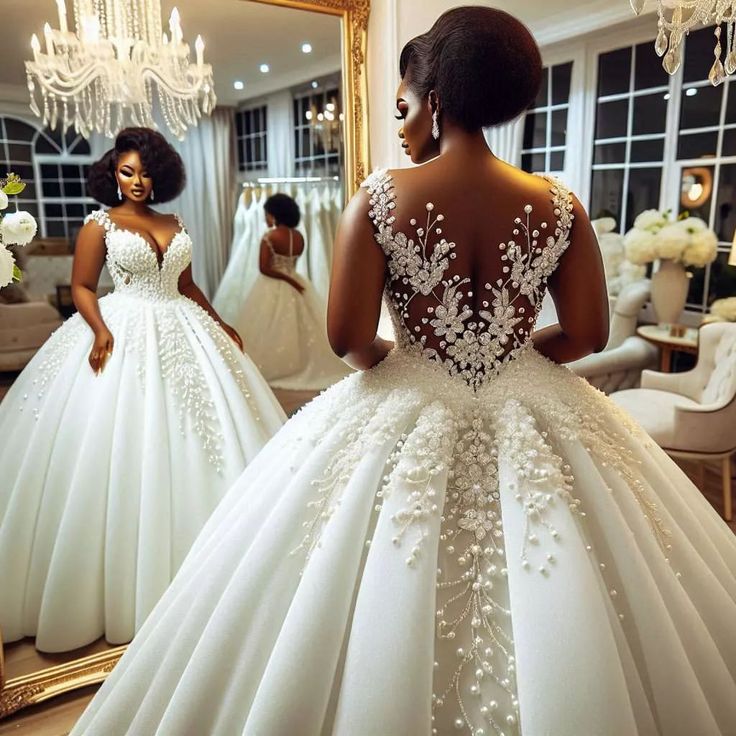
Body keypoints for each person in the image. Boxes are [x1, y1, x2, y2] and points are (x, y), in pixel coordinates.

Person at [72, 9, 736, 735]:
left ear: (437, 101)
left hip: (406, 393)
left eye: (403, 106)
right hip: (534, 397)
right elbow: (588, 333)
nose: (399, 124)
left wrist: (411, 361)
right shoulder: (561, 206)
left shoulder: (383, 197)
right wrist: (513, 362)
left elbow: (348, 337)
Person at [0, 127, 284, 653]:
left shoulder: (173, 221)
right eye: (127, 172)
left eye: (146, 172)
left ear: (161, 175)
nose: (137, 181)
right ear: (112, 172)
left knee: (209, 430)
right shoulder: (98, 224)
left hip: (184, 326)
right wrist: (101, 329)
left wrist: (219, 322)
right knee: (124, 436)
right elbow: (84, 286)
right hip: (124, 325)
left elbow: (188, 284)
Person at [233, 193, 351, 390]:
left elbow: (264, 268)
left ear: (274, 215)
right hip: (295, 281)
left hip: (274, 284)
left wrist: (286, 278)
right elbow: (291, 264)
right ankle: (300, 365)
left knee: (268, 327)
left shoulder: (269, 236)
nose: (265, 218)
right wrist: (292, 280)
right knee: (302, 328)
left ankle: (277, 368)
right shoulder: (298, 237)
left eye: (267, 214)